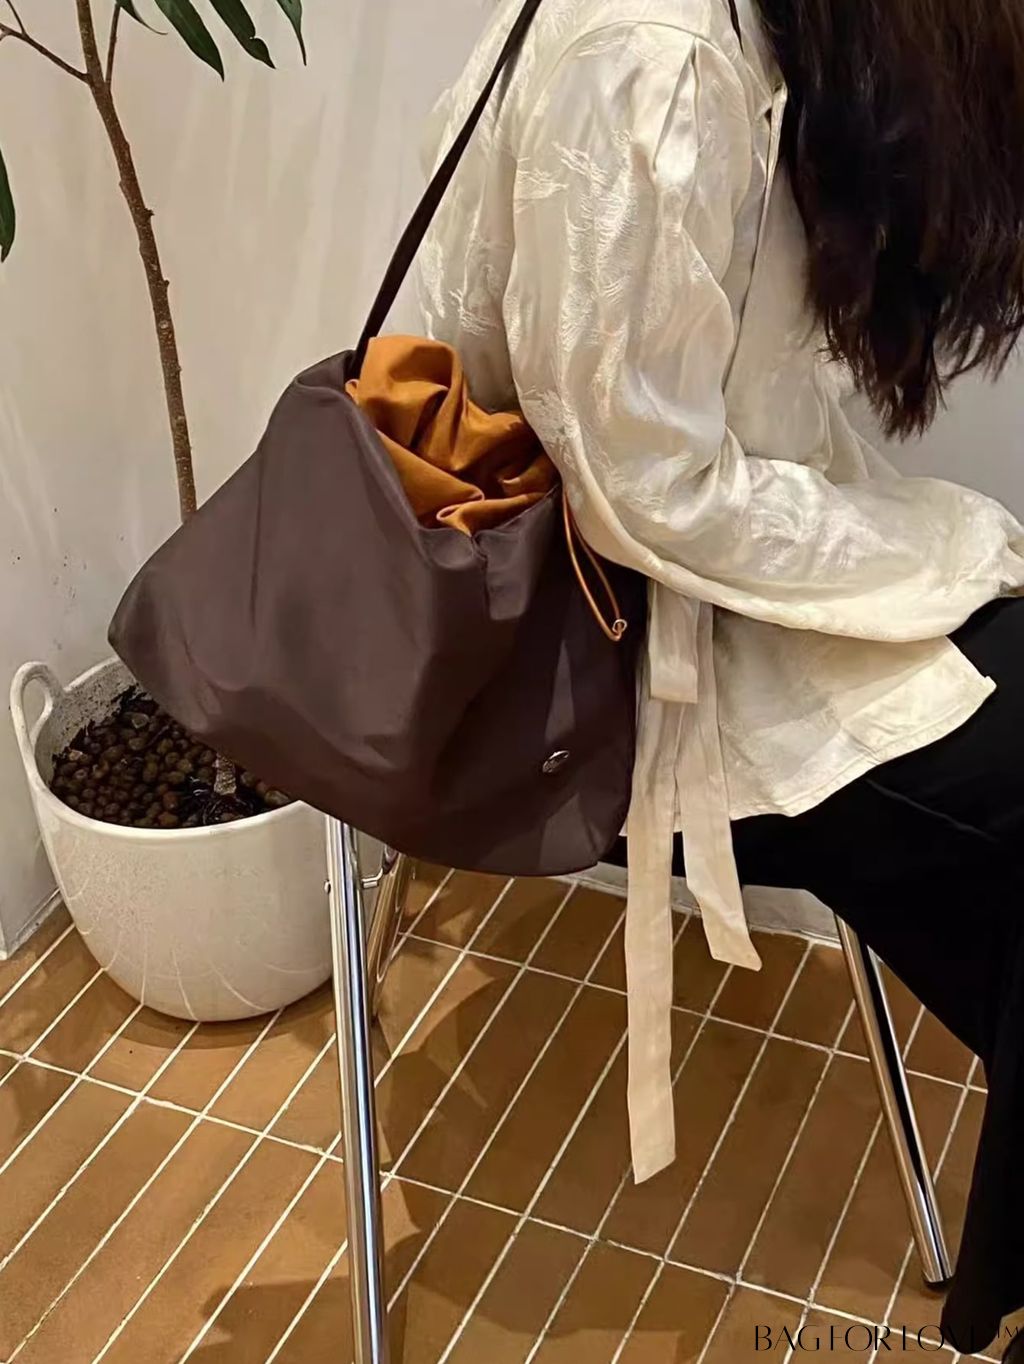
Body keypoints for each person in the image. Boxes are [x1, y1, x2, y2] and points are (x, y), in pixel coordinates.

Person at [417, 0, 1024, 1352]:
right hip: (614, 664)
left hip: (707, 595)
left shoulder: (739, 37)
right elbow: (643, 492)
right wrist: (940, 545)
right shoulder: (661, 61)